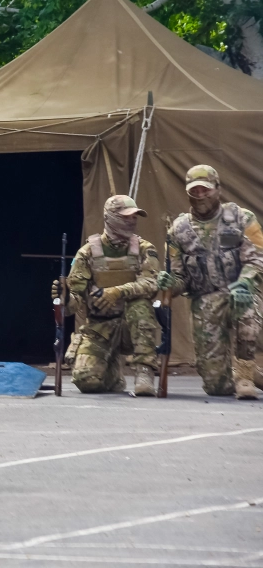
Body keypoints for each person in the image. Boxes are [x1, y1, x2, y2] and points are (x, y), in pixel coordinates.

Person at [158, 165, 263, 399]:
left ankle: (245, 374)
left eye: (205, 190)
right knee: (217, 387)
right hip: (204, 302)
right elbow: (180, 278)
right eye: (194, 191)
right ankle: (252, 375)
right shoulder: (178, 230)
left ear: (218, 189)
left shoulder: (241, 219)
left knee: (245, 305)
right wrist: (169, 283)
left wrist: (245, 281)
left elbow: (258, 257)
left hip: (240, 293)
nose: (200, 195)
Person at [55, 196, 160, 395]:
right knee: (86, 382)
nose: (132, 221)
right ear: (110, 217)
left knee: (141, 304)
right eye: (126, 217)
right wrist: (65, 298)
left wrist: (117, 292)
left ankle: (144, 371)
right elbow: (73, 304)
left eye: (135, 217)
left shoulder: (144, 249)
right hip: (100, 326)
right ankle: (113, 374)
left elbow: (150, 283)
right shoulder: (87, 253)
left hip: (132, 328)